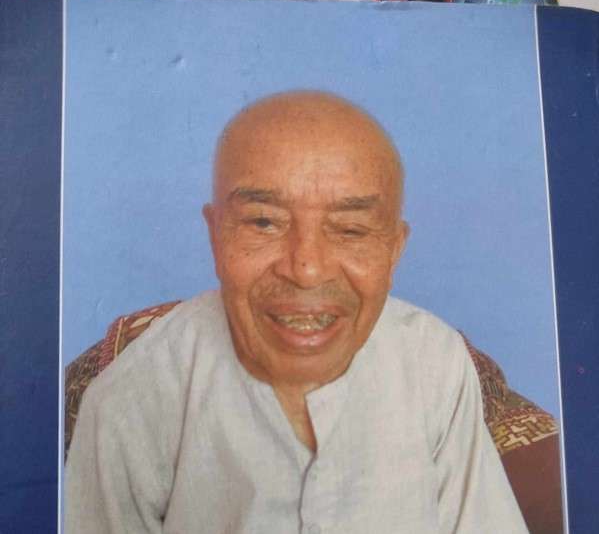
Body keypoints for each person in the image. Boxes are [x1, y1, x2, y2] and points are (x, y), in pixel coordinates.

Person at [65, 91, 529, 533]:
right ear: (216, 235)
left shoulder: (434, 361)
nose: (307, 269)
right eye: (264, 222)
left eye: (350, 229)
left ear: (394, 250)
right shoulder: (132, 397)